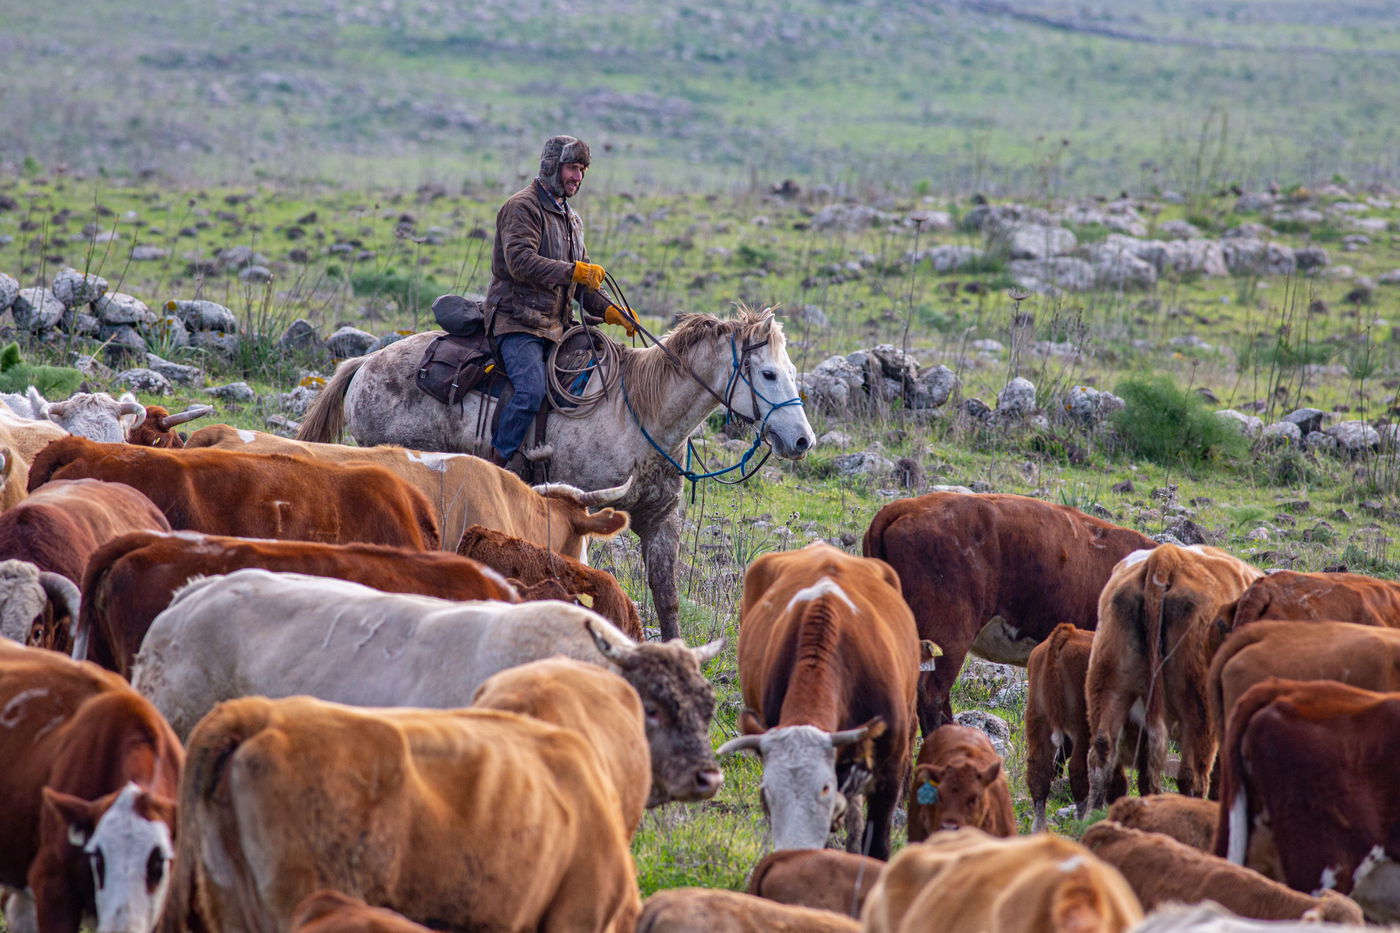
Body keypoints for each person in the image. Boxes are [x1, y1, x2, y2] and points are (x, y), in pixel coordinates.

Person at [484, 134, 638, 468]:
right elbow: (520, 262)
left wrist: (612, 312)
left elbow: (582, 286)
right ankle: (495, 466)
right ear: (552, 167)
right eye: (572, 167)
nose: (578, 177)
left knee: (603, 370)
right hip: (517, 322)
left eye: (583, 169)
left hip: (556, 327)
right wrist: (574, 271)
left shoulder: (572, 219)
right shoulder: (521, 207)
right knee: (529, 391)